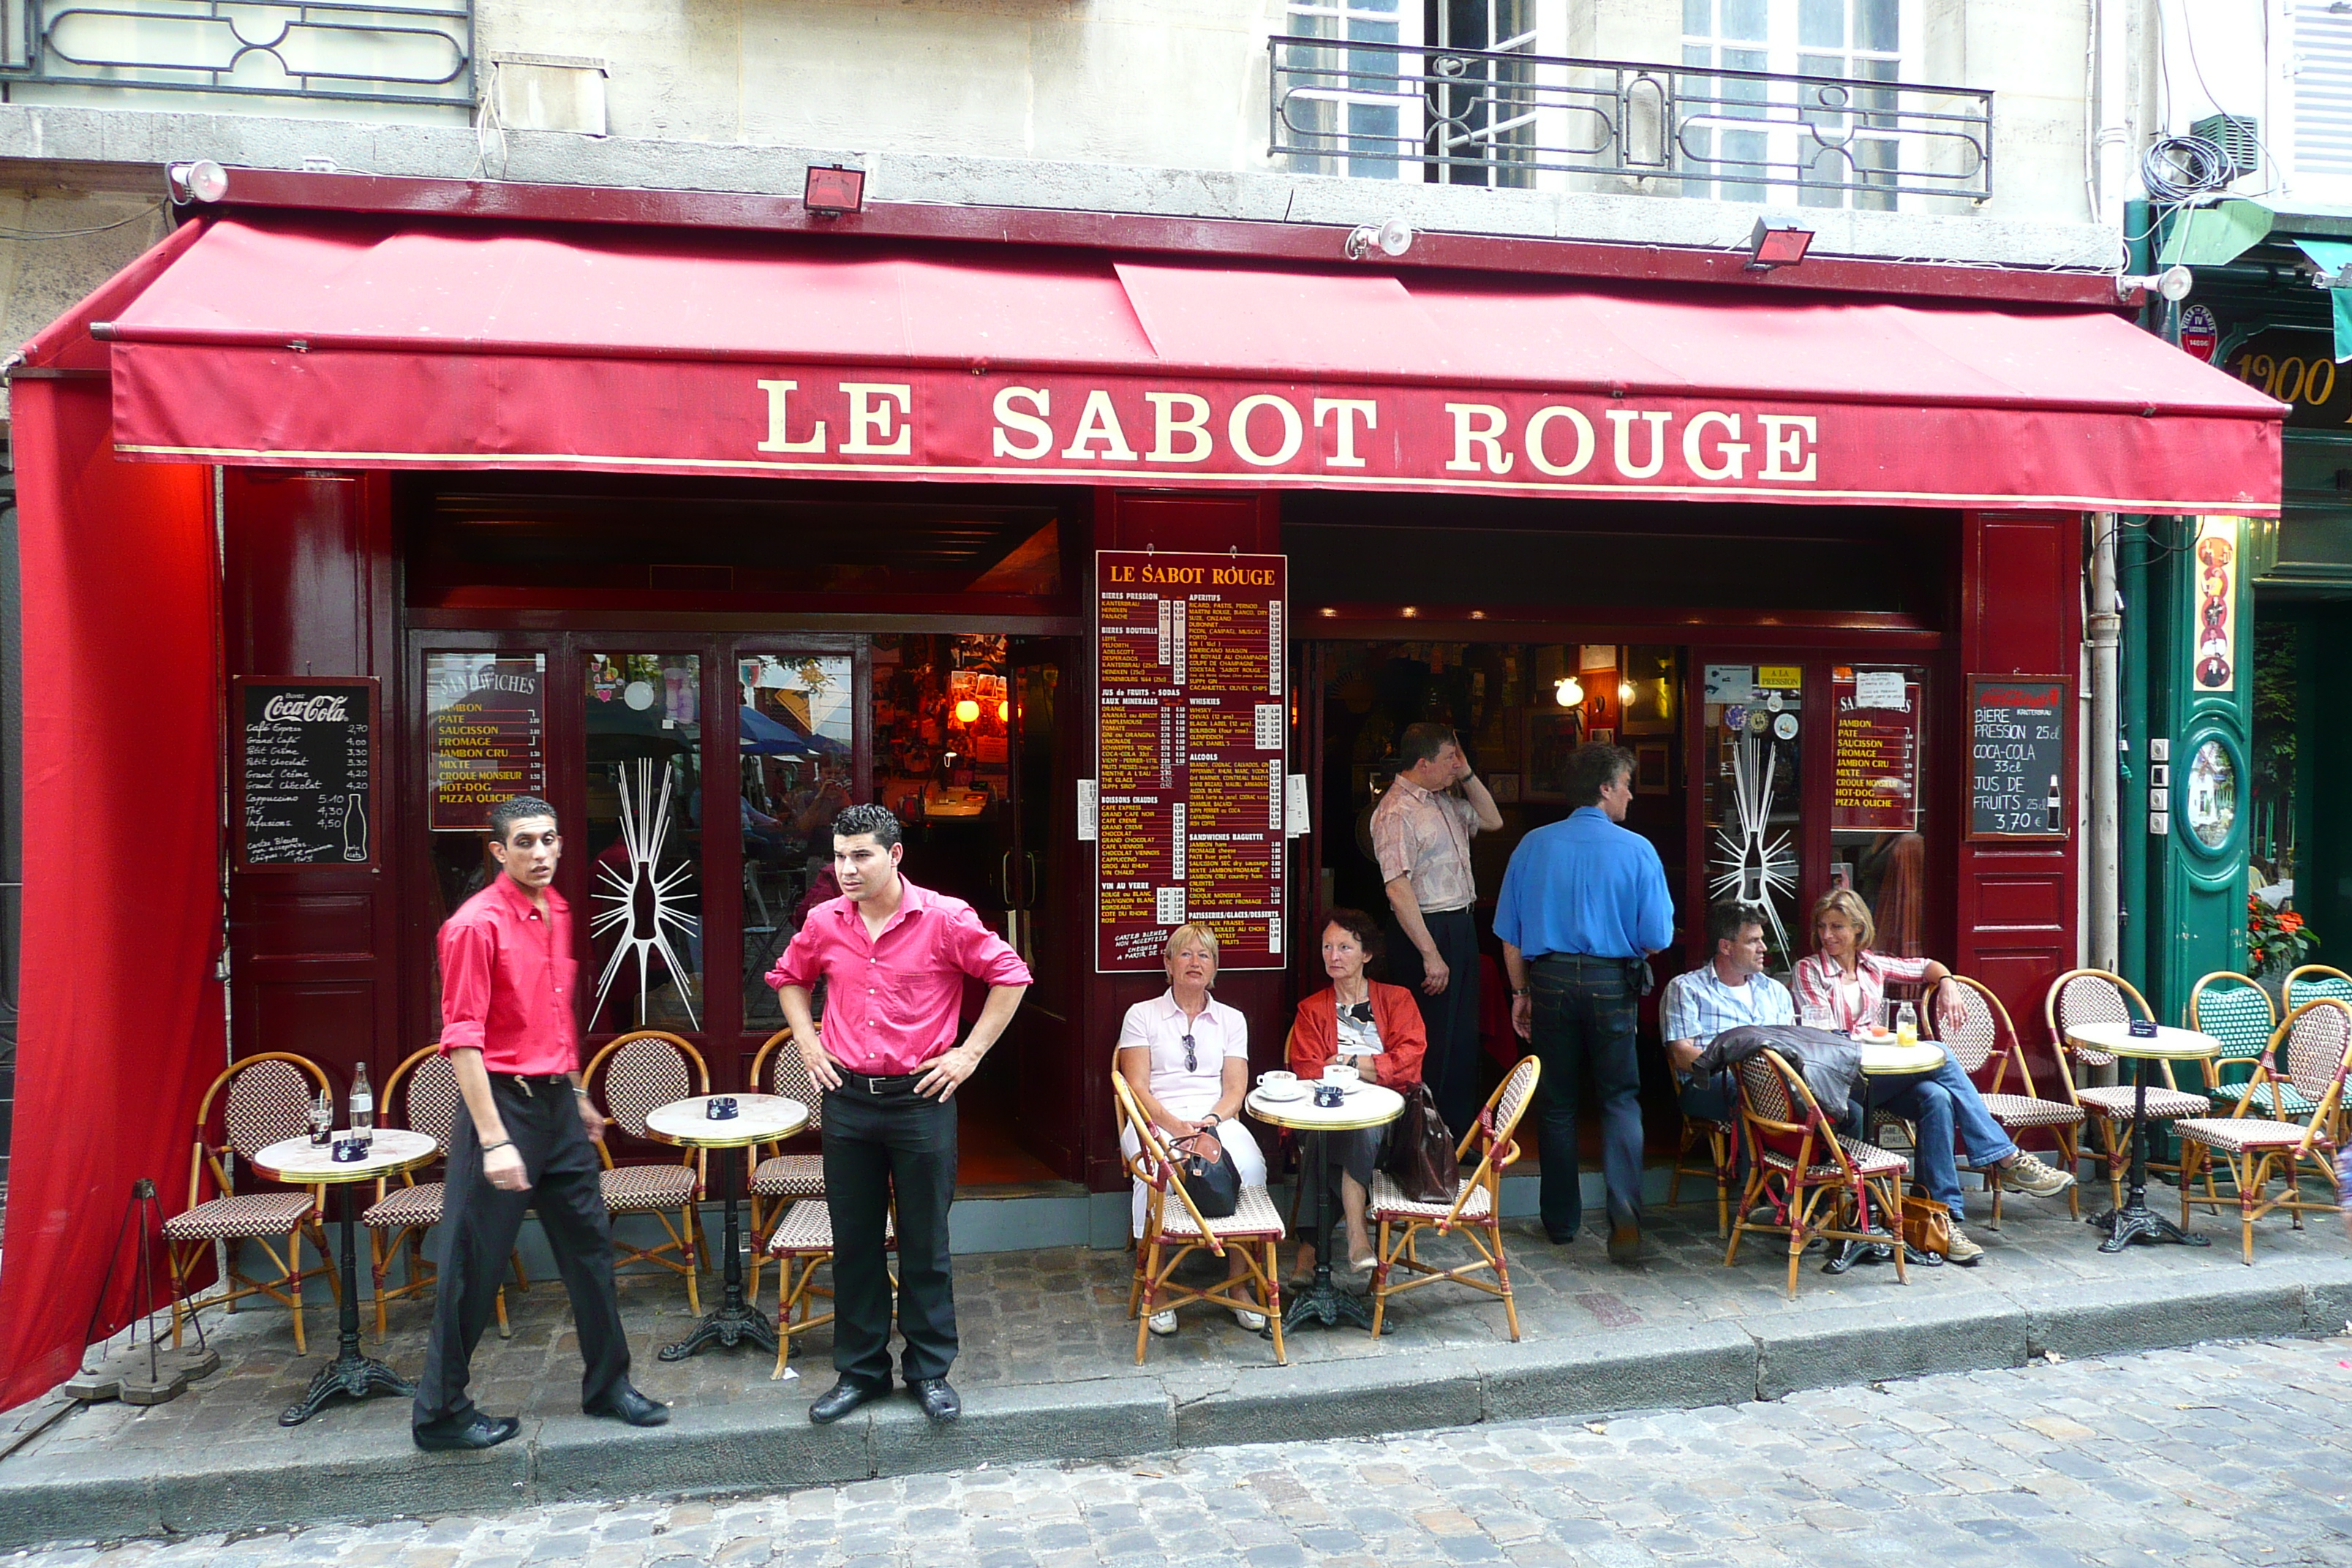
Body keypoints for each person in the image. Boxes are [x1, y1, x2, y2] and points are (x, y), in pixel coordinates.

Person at [413, 795, 668, 1452]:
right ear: (498, 851)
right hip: (500, 1108)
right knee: (472, 1265)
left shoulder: (554, 911)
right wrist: (494, 1139)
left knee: (590, 1252)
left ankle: (608, 1385)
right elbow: (463, 1040)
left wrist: (576, 1089)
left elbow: (552, 1015)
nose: (541, 853)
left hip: (556, 1104)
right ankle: (440, 1413)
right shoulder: (475, 925)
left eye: (549, 839)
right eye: (524, 842)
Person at [769, 804, 1031, 1425]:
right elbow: (788, 977)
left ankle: (929, 1370)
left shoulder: (944, 918)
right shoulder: (824, 920)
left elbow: (1011, 976)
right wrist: (807, 1042)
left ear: (894, 855)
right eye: (838, 856)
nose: (847, 869)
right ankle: (860, 1372)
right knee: (854, 1241)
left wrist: (968, 1055)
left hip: (922, 1100)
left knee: (925, 1243)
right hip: (848, 1101)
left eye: (860, 855)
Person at [1793, 888, 2075, 1265]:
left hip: (1879, 1075)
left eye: (1838, 927)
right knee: (1940, 1053)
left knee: (1936, 1098)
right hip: (1841, 1080)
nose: (1828, 935)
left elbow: (1929, 966)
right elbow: (1826, 1038)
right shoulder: (1810, 970)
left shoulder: (1872, 966)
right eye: (1824, 927)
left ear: (1859, 930)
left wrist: (1948, 984)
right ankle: (2004, 1157)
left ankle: (1941, 1218)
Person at [1493, 742, 1674, 1263]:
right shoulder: (1637, 849)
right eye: (1625, 784)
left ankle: (1560, 1222)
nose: (1630, 794)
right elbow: (1658, 937)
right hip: (1610, 982)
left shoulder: (1531, 845)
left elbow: (1510, 935)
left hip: (1548, 980)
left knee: (1557, 1101)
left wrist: (1521, 993)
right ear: (1604, 788)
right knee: (1619, 1097)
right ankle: (1624, 1217)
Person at [1115, 924, 1270, 1337]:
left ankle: (1239, 1284)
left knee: (1251, 1167)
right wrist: (1175, 1127)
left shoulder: (1231, 1019)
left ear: (1215, 967)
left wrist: (1211, 1123)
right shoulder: (1142, 1014)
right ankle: (1159, 1285)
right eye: (1185, 954)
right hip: (1156, 1118)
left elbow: (1235, 1088)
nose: (1194, 963)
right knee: (1159, 1167)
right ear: (1168, 964)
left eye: (1204, 956)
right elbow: (1136, 1087)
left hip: (1214, 1118)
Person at [1368, 723, 1504, 1145]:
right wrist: (1430, 953)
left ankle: (1458, 1139)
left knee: (1463, 1037)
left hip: (1461, 922)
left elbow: (1492, 820)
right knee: (1431, 1038)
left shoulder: (1446, 800)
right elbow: (1397, 887)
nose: (1456, 765)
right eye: (1450, 758)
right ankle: (1424, 1142)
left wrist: (1466, 775)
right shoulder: (1395, 811)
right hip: (1425, 929)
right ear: (1423, 763)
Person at [1286, 908, 1428, 1277]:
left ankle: (1312, 1248)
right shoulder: (1311, 1009)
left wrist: (1346, 1062)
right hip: (1326, 1114)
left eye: (1345, 947)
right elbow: (1305, 1067)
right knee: (1331, 1131)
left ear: (1367, 954)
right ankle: (1356, 1235)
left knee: (1352, 1131)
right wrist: (1372, 1065)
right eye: (1328, 947)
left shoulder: (1397, 1000)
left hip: (1391, 1123)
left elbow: (1409, 1060)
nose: (1334, 956)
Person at [1662, 902, 1795, 1131]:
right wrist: (1747, 1072)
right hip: (1709, 1085)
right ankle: (1754, 1166)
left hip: (1777, 1083)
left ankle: (1831, 1164)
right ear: (1726, 947)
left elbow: (1793, 1046)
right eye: (1753, 941)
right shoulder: (1687, 988)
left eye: (1761, 939)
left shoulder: (1775, 991)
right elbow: (1683, 1055)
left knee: (1847, 1106)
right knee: (1748, 1092)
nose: (1763, 947)